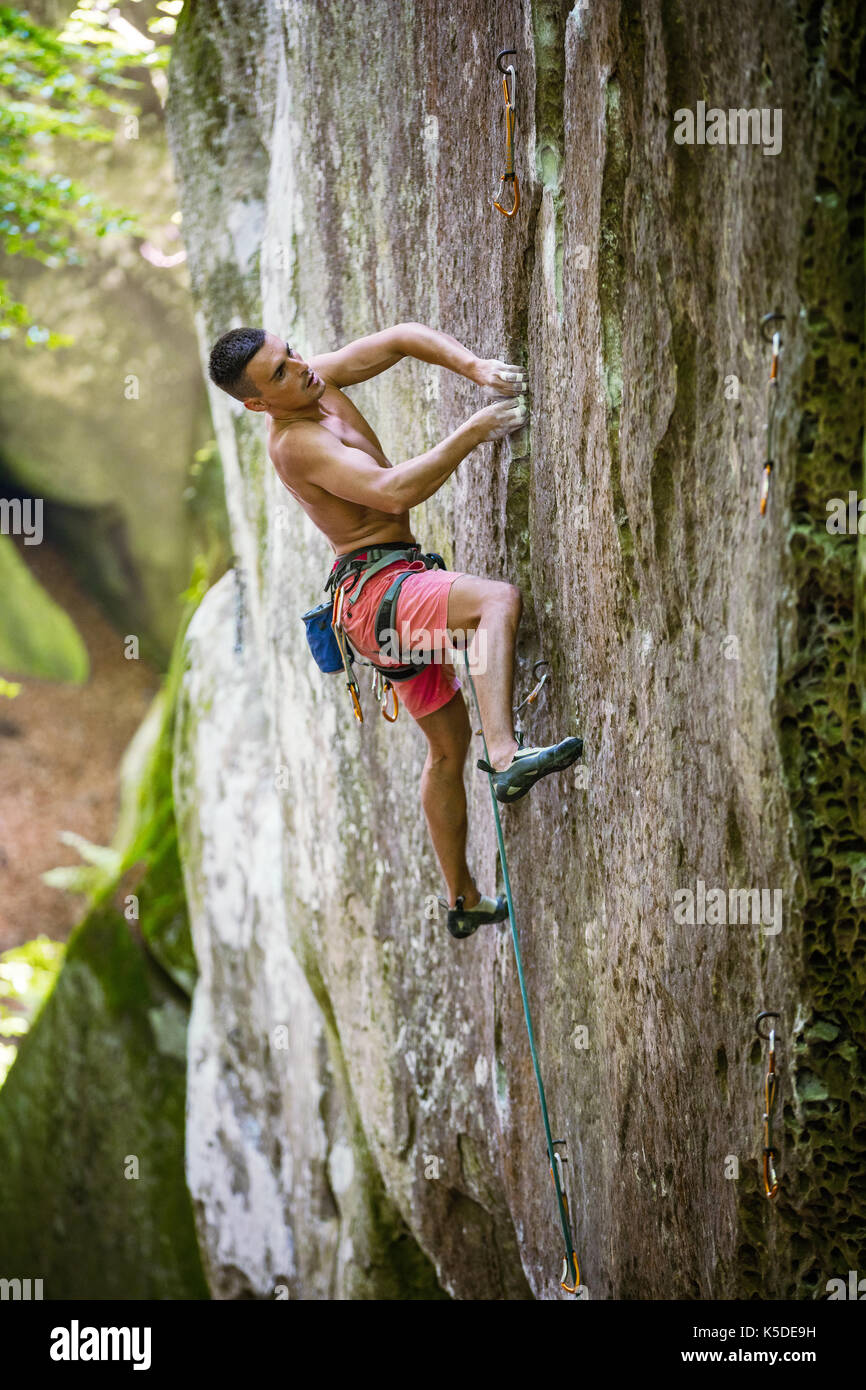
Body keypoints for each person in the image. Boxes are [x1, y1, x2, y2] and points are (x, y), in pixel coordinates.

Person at [208, 323, 583, 938]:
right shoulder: (293, 442)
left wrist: (476, 369)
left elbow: (400, 338)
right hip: (379, 595)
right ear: (257, 404)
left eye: (290, 353)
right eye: (277, 373)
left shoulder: (309, 379)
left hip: (379, 600)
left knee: (444, 750)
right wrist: (473, 430)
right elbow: (391, 492)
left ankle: (461, 899)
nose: (297, 367)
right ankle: (507, 757)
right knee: (496, 603)